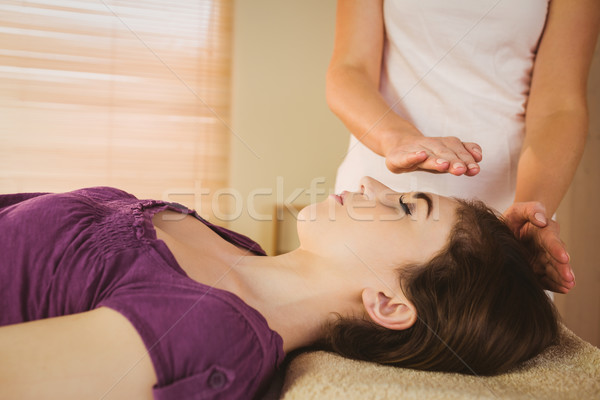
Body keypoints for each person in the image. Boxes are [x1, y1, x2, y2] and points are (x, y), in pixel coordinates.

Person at [0, 176, 557, 399]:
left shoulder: (215, 333)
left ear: (388, 303)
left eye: (409, 206)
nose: (371, 183)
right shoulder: (242, 249)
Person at [326, 0, 600, 294]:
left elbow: (559, 106)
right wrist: (397, 139)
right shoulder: (368, 191)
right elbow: (350, 68)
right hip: (381, 183)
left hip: (509, 215)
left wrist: (529, 213)